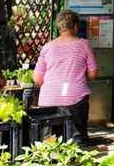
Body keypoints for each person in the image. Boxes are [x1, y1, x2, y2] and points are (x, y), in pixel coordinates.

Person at [33, 10, 98, 145]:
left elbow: (38, 78)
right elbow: (93, 73)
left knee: (51, 141)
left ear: (59, 27)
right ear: (75, 26)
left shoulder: (47, 47)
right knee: (77, 140)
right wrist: (79, 75)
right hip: (75, 97)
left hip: (49, 99)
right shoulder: (83, 44)